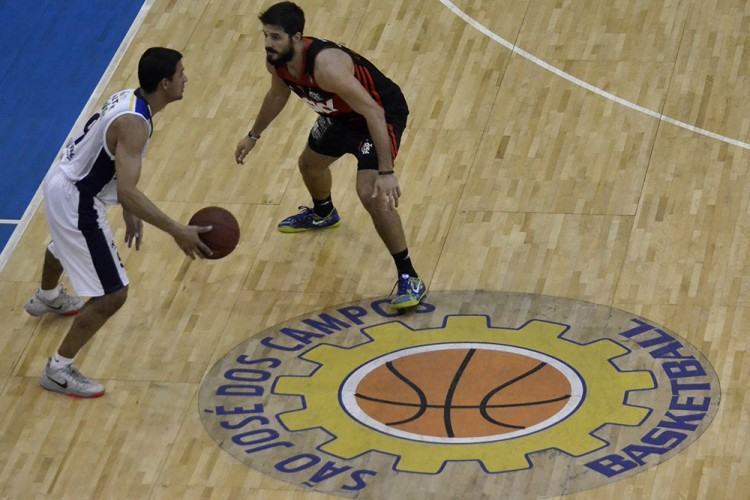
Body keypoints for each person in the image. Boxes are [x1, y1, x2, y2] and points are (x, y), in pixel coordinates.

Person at [24, 47, 213, 398]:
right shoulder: (135, 124)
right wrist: (177, 230)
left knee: (70, 245)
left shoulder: (132, 99)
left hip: (66, 182)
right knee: (113, 294)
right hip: (76, 199)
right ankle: (59, 369)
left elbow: (115, 161)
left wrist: (127, 207)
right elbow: (127, 186)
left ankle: (48, 296)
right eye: (181, 73)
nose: (186, 78)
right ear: (165, 83)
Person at [235, 1, 427, 309]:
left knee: (371, 193)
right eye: (266, 36)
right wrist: (253, 135)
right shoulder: (278, 62)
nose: (268, 44)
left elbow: (374, 112)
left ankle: (409, 276)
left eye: (275, 37)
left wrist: (387, 172)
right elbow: (276, 95)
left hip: (377, 117)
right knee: (309, 165)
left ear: (296, 38)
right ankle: (324, 213)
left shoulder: (327, 67)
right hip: (340, 116)